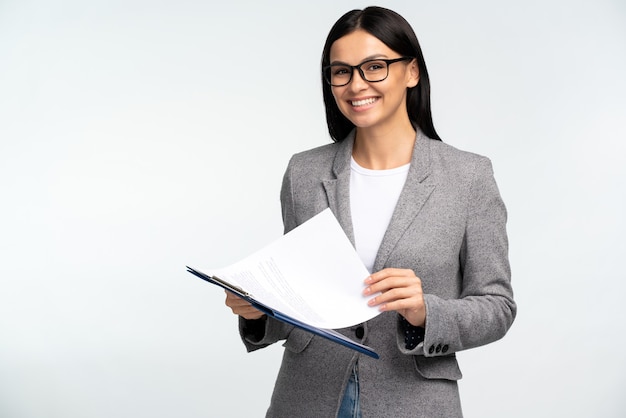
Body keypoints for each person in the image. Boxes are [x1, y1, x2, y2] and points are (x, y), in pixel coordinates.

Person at [225, 6, 516, 417]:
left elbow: (497, 305)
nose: (355, 84)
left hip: (414, 401)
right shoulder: (303, 173)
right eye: (340, 71)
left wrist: (425, 312)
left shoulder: (468, 176)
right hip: (306, 398)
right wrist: (259, 312)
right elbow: (300, 303)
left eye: (374, 66)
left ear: (411, 72)